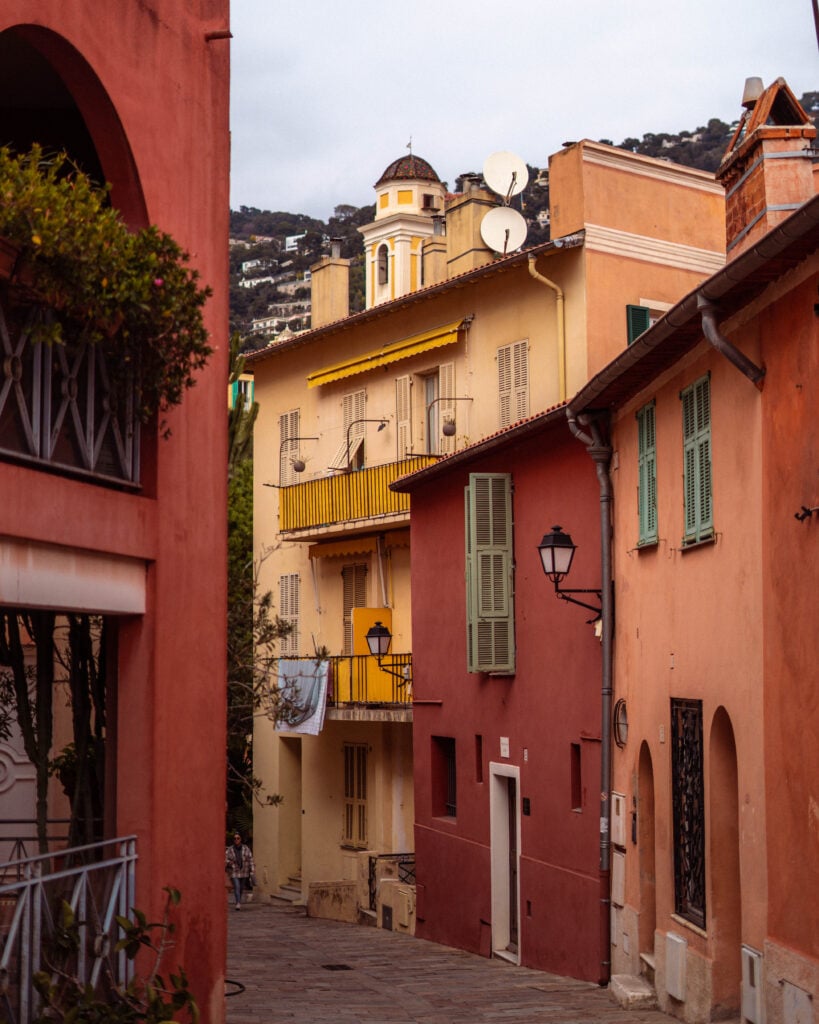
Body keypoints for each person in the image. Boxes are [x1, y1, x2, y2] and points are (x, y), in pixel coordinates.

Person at [225, 832, 255, 909]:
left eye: (238, 838)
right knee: (237, 887)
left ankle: (239, 900)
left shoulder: (246, 848)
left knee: (241, 888)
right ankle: (238, 903)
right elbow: (225, 859)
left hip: (244, 871)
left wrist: (252, 869)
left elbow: (250, 859)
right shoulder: (230, 849)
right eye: (235, 838)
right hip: (235, 871)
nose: (236, 840)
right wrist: (229, 862)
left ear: (240, 839)